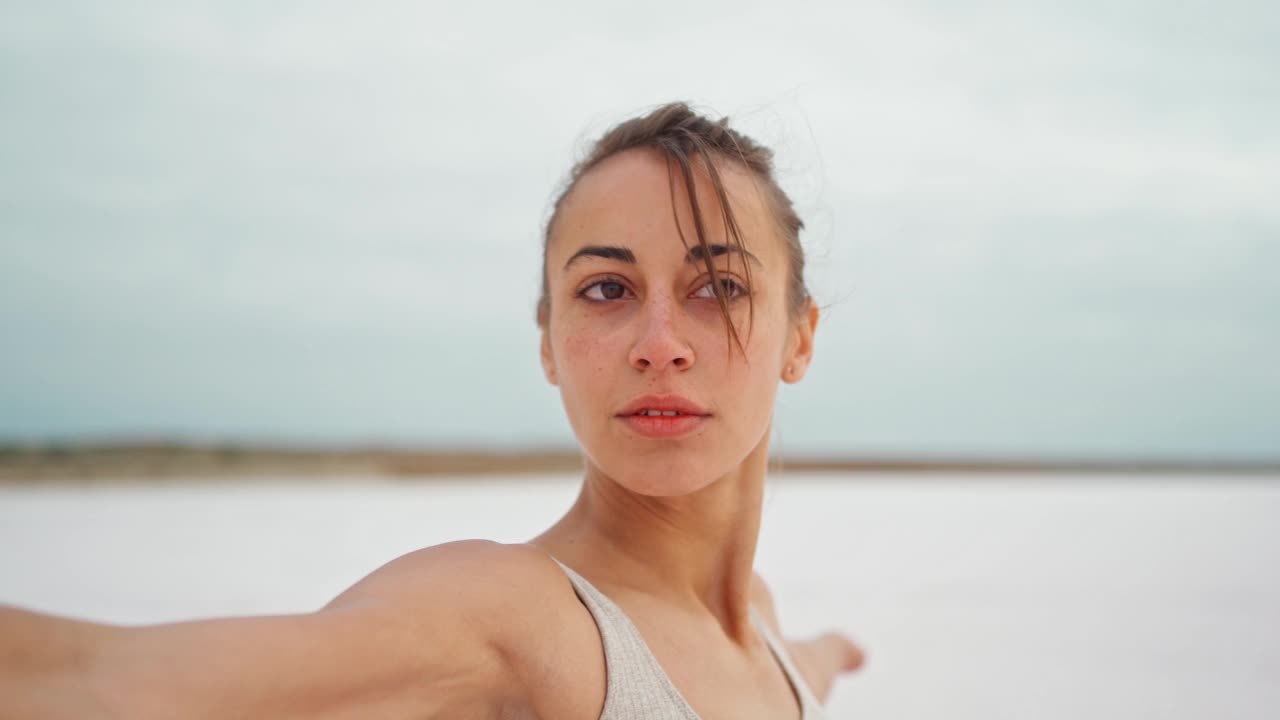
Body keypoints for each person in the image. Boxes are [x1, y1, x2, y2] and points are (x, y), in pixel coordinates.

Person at [0, 102, 864, 719]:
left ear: (801, 337)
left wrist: (831, 654)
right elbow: (103, 683)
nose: (659, 342)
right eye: (607, 288)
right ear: (547, 340)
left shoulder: (761, 622)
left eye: (718, 287)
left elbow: (792, 669)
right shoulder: (510, 617)